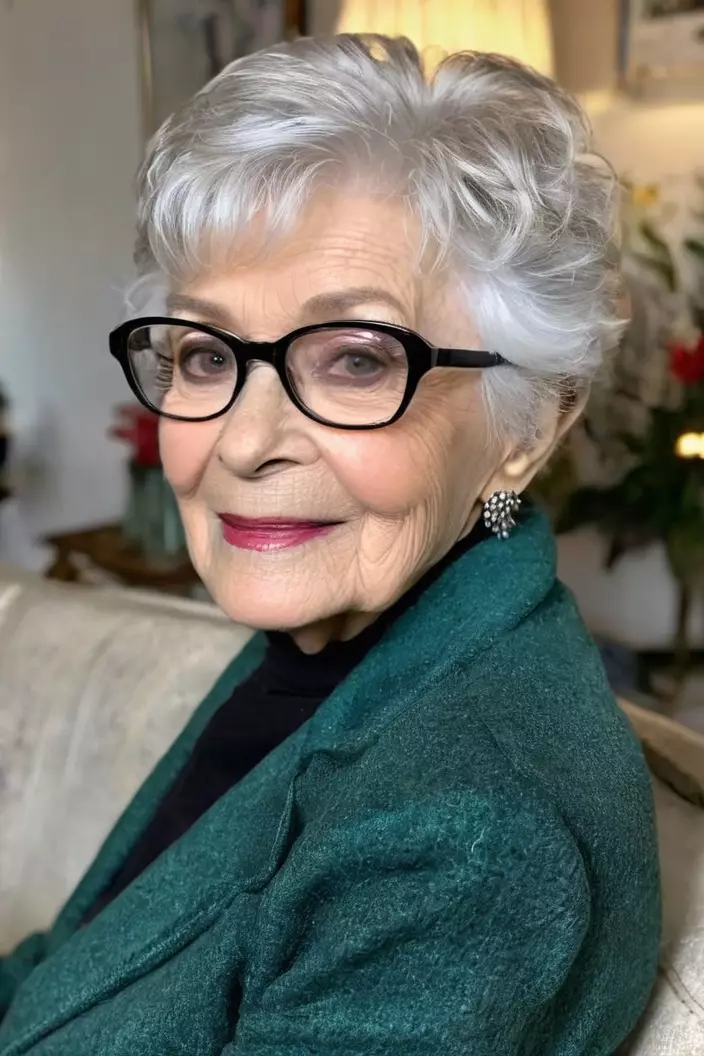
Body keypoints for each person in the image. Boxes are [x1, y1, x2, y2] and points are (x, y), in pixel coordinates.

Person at [0, 34, 659, 1055]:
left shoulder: (466, 835)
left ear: (523, 430)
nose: (245, 443)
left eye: (355, 359)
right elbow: (86, 968)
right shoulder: (329, 654)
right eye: (207, 353)